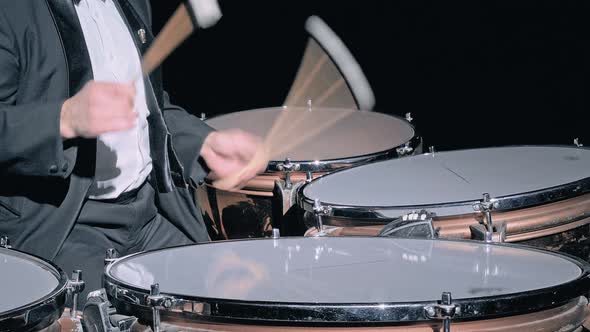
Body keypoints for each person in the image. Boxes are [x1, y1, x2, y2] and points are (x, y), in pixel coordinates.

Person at [0, 0, 265, 302]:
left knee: (228, 298)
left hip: (150, 213)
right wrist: (64, 119)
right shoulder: (11, 10)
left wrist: (203, 141)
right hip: (68, 225)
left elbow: (149, 105)